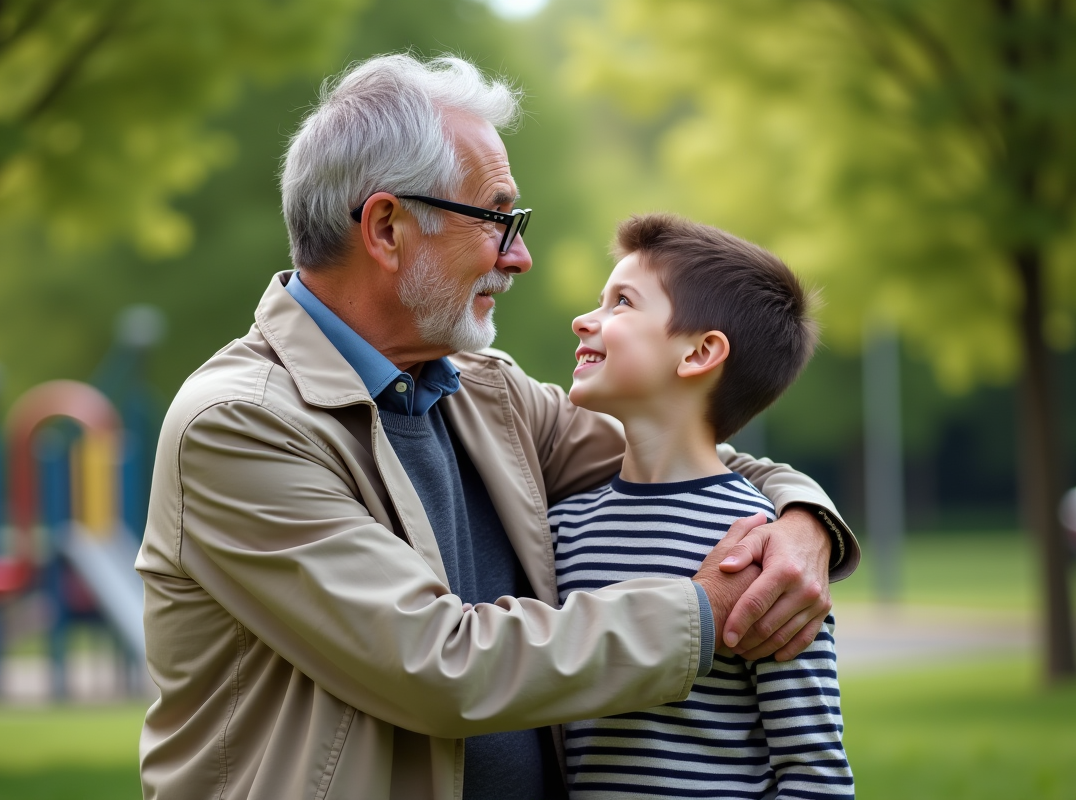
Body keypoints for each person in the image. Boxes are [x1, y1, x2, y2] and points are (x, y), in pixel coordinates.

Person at [135, 53, 860, 800]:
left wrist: (803, 522)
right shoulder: (240, 424)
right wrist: (706, 610)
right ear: (387, 228)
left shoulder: (487, 393)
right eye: (497, 219)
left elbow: (682, 449)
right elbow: (435, 665)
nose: (520, 257)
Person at [551, 213, 853, 798]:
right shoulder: (560, 530)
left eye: (622, 303)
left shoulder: (768, 555)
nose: (584, 320)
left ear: (698, 353)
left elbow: (813, 773)